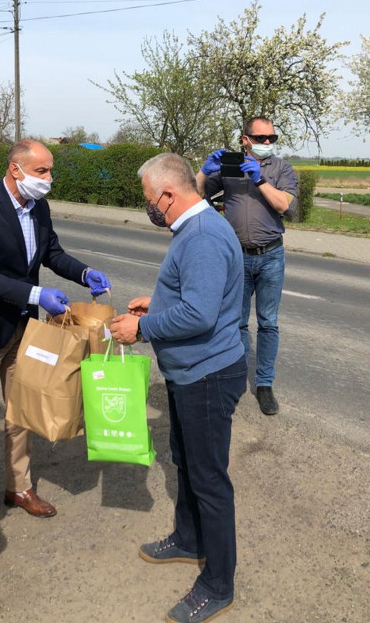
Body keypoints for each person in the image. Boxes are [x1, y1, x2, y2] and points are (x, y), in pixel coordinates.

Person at [0, 138, 111, 546]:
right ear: (15, 169)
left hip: (23, 330)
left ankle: (19, 487)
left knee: (20, 413)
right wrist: (36, 295)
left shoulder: (37, 206)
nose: (49, 180)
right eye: (42, 171)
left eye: (50, 170)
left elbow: (51, 253)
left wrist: (84, 272)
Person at [110, 153, 246, 623]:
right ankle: (188, 540)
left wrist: (141, 330)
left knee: (210, 481)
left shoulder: (204, 235)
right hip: (190, 372)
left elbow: (200, 315)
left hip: (208, 374)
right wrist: (159, 300)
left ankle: (218, 584)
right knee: (186, 463)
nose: (149, 207)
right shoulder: (194, 228)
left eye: (150, 200)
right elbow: (194, 296)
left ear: (169, 194)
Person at [195, 116, 297, 416]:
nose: (267, 144)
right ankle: (237, 378)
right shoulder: (230, 169)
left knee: (268, 323)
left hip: (271, 256)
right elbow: (195, 195)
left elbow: (284, 205)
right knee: (236, 322)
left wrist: (259, 180)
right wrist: (204, 170)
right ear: (245, 139)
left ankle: (264, 385)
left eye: (271, 139)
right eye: (261, 138)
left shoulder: (281, 168)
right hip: (237, 256)